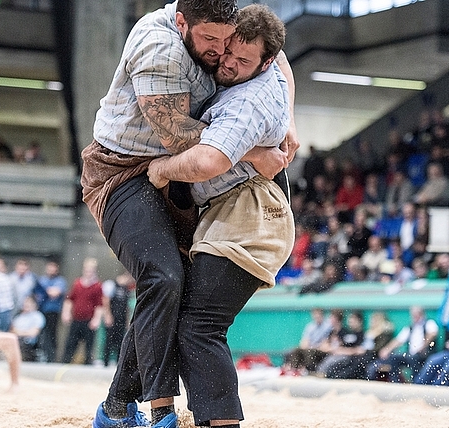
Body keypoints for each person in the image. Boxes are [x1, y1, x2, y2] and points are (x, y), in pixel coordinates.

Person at [81, 0, 297, 426]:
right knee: (164, 280)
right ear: (182, 23)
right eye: (211, 42)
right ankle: (159, 409)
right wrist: (252, 151)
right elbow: (179, 138)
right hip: (126, 171)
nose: (222, 54)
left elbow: (280, 59)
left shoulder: (237, 34)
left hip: (188, 185)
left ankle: (116, 408)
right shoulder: (160, 48)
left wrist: (288, 119)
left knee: (180, 306)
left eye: (231, 44)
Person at [145, 6, 295, 426]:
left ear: (263, 63)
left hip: (250, 215)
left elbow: (209, 160)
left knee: (200, 326)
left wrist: (160, 170)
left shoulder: (248, 100)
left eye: (243, 61)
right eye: (228, 51)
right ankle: (196, 414)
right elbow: (284, 61)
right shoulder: (259, 62)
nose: (228, 62)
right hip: (228, 210)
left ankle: (221, 422)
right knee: (186, 318)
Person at [367, 305, 439, 383]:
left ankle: (416, 382)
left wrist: (423, 346)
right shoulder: (410, 327)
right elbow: (398, 340)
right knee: (393, 358)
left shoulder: (429, 323)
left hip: (424, 354)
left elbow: (432, 334)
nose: (414, 317)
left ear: (421, 314)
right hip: (410, 354)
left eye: (416, 315)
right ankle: (396, 382)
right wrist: (386, 350)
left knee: (413, 358)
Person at [316, 310, 394, 380]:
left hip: (371, 356)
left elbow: (378, 348)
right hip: (361, 354)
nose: (372, 322)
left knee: (356, 364)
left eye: (375, 320)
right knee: (348, 362)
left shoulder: (384, 334)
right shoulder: (370, 332)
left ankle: (339, 376)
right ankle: (333, 375)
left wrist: (364, 350)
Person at [61, 258, 104, 365]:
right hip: (76, 319)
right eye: (87, 270)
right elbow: (70, 300)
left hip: (88, 320)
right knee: (70, 343)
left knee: (89, 345)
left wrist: (96, 319)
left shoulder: (97, 286)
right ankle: (65, 362)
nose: (88, 273)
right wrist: (66, 313)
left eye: (91, 270)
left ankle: (88, 364)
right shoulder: (77, 283)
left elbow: (99, 305)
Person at [281, 308, 333, 375]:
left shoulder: (327, 326)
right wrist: (306, 346)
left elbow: (325, 344)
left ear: (322, 315)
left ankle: (311, 371)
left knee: (309, 352)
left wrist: (312, 347)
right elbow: (304, 342)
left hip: (320, 349)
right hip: (311, 348)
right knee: (296, 350)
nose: (316, 317)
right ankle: (295, 370)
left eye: (318, 315)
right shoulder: (310, 326)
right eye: (315, 315)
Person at [33, 260, 67, 363]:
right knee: (41, 334)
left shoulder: (60, 281)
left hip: (53, 311)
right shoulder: (42, 279)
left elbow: (54, 293)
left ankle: (52, 357)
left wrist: (44, 290)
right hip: (41, 310)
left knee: (52, 335)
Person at [101, 272, 133, 368]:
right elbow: (106, 301)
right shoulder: (112, 284)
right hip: (113, 317)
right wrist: (108, 315)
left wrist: (128, 321)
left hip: (121, 319)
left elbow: (127, 307)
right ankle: (105, 362)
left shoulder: (126, 289)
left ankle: (118, 364)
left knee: (120, 342)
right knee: (109, 341)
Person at [11, 296, 46, 362]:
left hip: (29, 343)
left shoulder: (37, 316)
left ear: (34, 304)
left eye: (29, 302)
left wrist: (20, 333)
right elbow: (12, 331)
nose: (26, 304)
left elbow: (33, 333)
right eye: (25, 302)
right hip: (17, 340)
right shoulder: (18, 317)